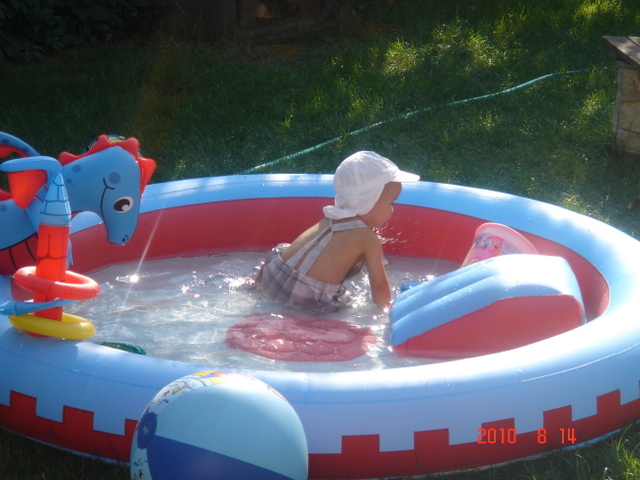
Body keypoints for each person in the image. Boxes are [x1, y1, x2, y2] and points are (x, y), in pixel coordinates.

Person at [254, 151, 419, 311]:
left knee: (282, 248)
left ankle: (254, 286)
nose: (393, 210)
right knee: (344, 305)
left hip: (273, 274)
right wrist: (386, 313)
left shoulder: (329, 219)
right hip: (306, 297)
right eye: (391, 203)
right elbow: (380, 287)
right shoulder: (368, 239)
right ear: (369, 200)